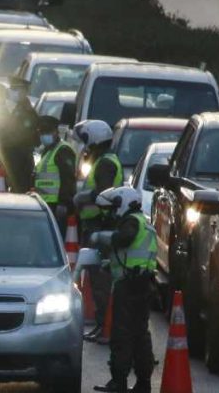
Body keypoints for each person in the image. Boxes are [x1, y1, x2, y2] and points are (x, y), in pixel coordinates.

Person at [91, 186, 157, 393]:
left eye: (112, 209)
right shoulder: (144, 221)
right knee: (140, 335)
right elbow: (131, 255)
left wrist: (102, 237)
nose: (110, 213)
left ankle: (119, 381)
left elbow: (124, 239)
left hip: (128, 287)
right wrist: (110, 265)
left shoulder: (131, 222)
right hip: (143, 284)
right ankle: (143, 383)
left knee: (122, 335)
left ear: (124, 204)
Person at [74, 119, 123, 341]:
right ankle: (103, 324)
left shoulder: (105, 164)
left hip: (101, 227)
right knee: (95, 281)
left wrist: (82, 197)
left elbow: (104, 194)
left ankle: (106, 327)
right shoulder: (103, 160)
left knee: (101, 281)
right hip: (96, 226)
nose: (85, 146)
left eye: (86, 141)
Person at [32, 115, 76, 227]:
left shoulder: (63, 150)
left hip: (57, 205)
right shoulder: (46, 151)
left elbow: (68, 179)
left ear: (56, 132)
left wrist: (63, 203)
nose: (43, 135)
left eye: (47, 132)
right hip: (45, 203)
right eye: (41, 132)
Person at [0, 77, 39, 193]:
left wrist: (2, 141)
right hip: (11, 158)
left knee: (19, 191)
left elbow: (20, 136)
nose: (12, 91)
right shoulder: (13, 108)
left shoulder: (27, 112)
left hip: (20, 160)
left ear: (24, 92)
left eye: (16, 89)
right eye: (11, 88)